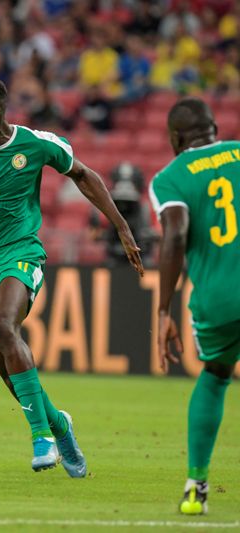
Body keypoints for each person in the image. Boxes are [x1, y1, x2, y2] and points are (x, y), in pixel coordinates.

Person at [0, 76, 144, 476]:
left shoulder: (38, 145)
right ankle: (59, 424)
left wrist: (122, 227)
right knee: (5, 368)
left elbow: (85, 175)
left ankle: (41, 437)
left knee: (4, 326)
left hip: (20, 252)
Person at [151, 97, 240, 515]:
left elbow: (174, 235)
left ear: (174, 138)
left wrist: (164, 308)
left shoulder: (170, 178)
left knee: (217, 375)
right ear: (215, 129)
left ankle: (195, 486)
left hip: (219, 300)